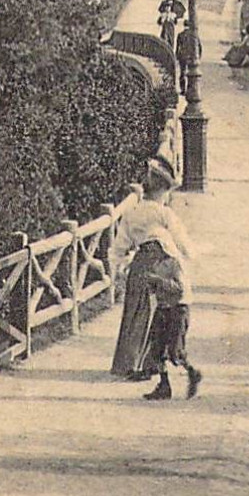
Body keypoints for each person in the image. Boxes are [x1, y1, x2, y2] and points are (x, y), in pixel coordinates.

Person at [107, 159, 195, 379]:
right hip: (163, 262)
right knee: (160, 311)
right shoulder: (164, 213)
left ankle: (127, 363)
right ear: (162, 192)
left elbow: (120, 245)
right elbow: (181, 240)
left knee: (136, 311)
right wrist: (189, 256)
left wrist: (118, 265)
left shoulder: (132, 213)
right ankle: (150, 363)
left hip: (140, 262)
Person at [141, 225, 202, 400]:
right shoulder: (155, 264)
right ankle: (164, 385)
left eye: (153, 246)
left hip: (177, 309)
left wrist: (159, 281)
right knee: (156, 348)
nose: (150, 250)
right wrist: (150, 285)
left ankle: (192, 372)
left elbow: (180, 289)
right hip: (162, 308)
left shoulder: (175, 264)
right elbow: (155, 290)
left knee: (175, 351)